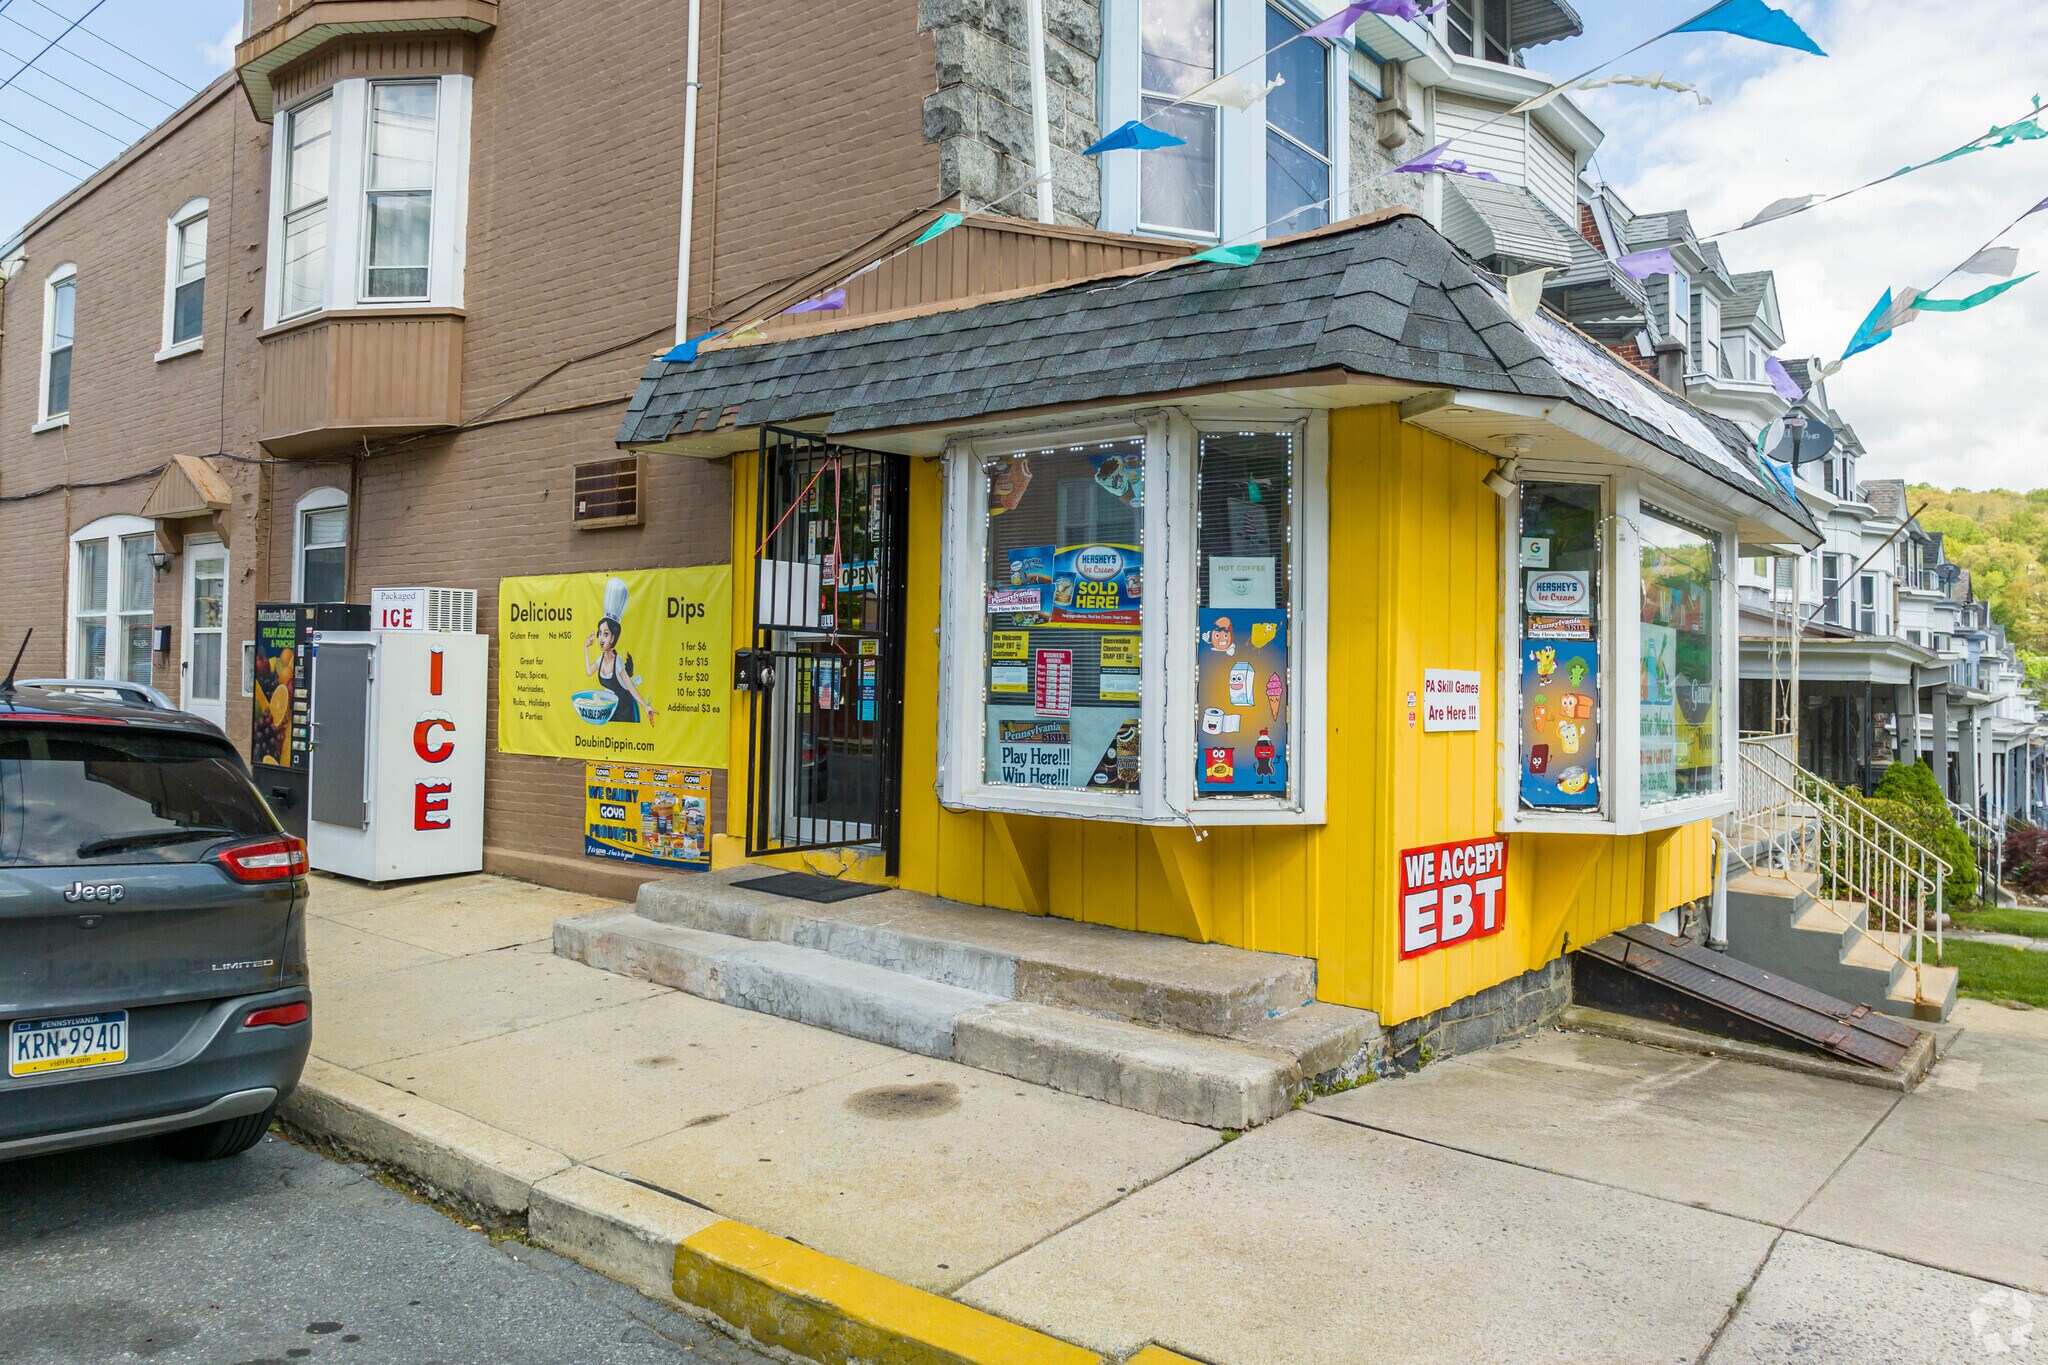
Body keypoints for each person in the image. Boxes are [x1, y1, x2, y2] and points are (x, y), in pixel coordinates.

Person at [584, 616, 657, 727]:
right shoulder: (601, 659)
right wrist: (586, 647)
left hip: (625, 710)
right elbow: (589, 672)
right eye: (600, 633)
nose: (601, 638)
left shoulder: (617, 661)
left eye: (606, 634)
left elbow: (630, 686)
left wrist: (645, 706)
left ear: (612, 638)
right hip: (611, 708)